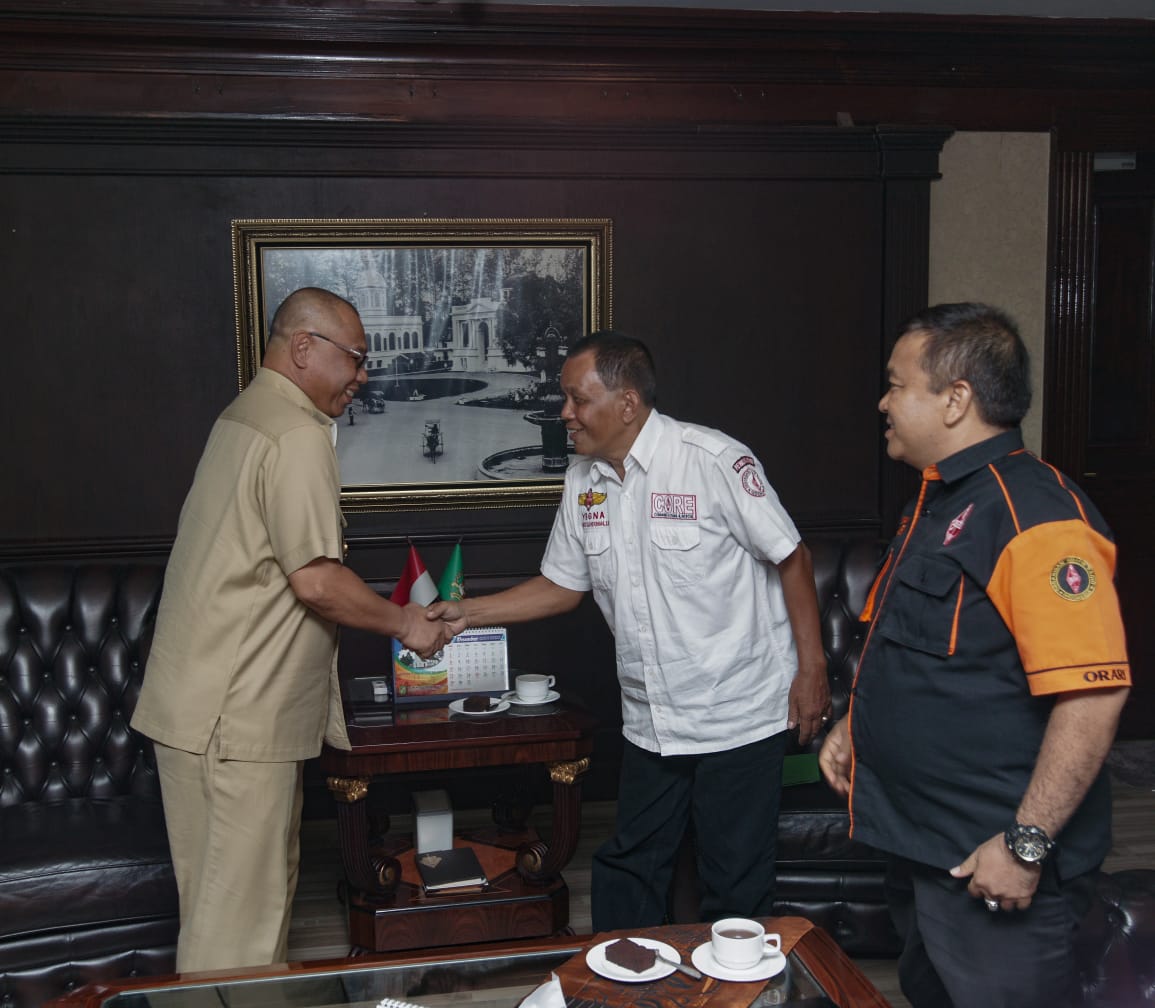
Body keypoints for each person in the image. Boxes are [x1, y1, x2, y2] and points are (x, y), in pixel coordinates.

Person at [427, 329, 829, 931]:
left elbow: (792, 557)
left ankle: (731, 982)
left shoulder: (713, 460)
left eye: (577, 399)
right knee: (629, 865)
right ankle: (624, 976)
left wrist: (812, 670)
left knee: (733, 880)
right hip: (652, 718)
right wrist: (468, 614)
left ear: (627, 403)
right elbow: (563, 585)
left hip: (737, 712)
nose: (564, 413)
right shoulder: (582, 481)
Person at [818, 303, 1131, 1008]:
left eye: (896, 385)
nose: (883, 403)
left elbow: (1092, 695)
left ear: (955, 399)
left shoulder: (1037, 518)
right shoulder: (938, 501)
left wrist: (1024, 845)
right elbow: (920, 649)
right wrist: (855, 727)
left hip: (989, 857)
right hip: (924, 844)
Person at [131, 287, 452, 972]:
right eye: (356, 358)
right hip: (234, 717)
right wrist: (406, 622)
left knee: (229, 913)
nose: (363, 374)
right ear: (304, 347)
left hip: (205, 709)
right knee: (237, 939)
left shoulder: (244, 416)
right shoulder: (297, 433)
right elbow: (316, 580)